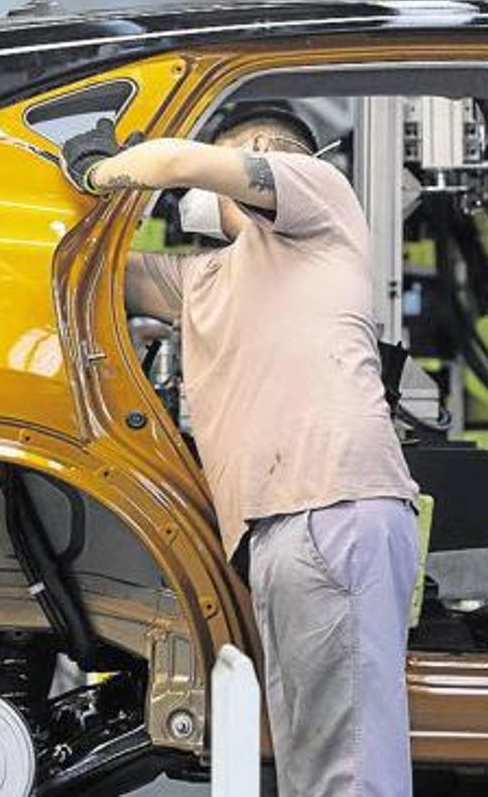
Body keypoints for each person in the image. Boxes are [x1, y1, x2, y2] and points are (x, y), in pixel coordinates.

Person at [60, 106, 421, 797]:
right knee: (314, 760)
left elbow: (173, 165)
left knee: (346, 772)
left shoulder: (319, 197)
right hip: (288, 525)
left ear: (258, 156)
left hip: (332, 506)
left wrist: (104, 171)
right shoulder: (206, 279)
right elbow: (98, 274)